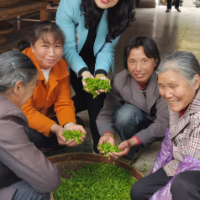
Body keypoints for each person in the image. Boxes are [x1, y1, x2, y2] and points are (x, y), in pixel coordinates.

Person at [56, 0, 134, 153]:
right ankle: (60, 111)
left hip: (97, 58)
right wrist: (85, 73)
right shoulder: (70, 4)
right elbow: (68, 49)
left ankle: (99, 146)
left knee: (96, 96)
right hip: (72, 58)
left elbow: (107, 49)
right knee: (89, 97)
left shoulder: (120, 11)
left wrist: (100, 74)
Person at [130, 51, 200, 200]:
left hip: (194, 170)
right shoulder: (177, 103)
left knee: (182, 186)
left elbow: (192, 165)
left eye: (173, 86)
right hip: (180, 165)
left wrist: (161, 196)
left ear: (195, 82)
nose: (167, 94)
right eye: (162, 86)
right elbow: (170, 148)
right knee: (139, 191)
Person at [97, 36, 169, 161]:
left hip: (161, 124)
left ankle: (133, 142)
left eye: (144, 61)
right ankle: (130, 152)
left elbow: (163, 124)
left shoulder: (164, 82)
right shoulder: (120, 80)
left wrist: (135, 140)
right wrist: (107, 133)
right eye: (132, 62)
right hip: (138, 120)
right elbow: (106, 113)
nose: (138, 69)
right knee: (124, 114)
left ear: (155, 61)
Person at [0, 51, 60, 200]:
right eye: (33, 86)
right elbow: (50, 180)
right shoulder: (5, 120)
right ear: (18, 87)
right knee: (40, 191)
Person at [18, 21, 86, 152]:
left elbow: (64, 102)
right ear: (32, 46)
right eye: (45, 46)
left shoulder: (61, 66)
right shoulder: (22, 66)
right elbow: (25, 111)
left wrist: (69, 124)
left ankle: (45, 145)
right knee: (33, 136)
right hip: (21, 119)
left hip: (45, 117)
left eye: (57, 46)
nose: (52, 53)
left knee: (77, 124)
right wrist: (56, 129)